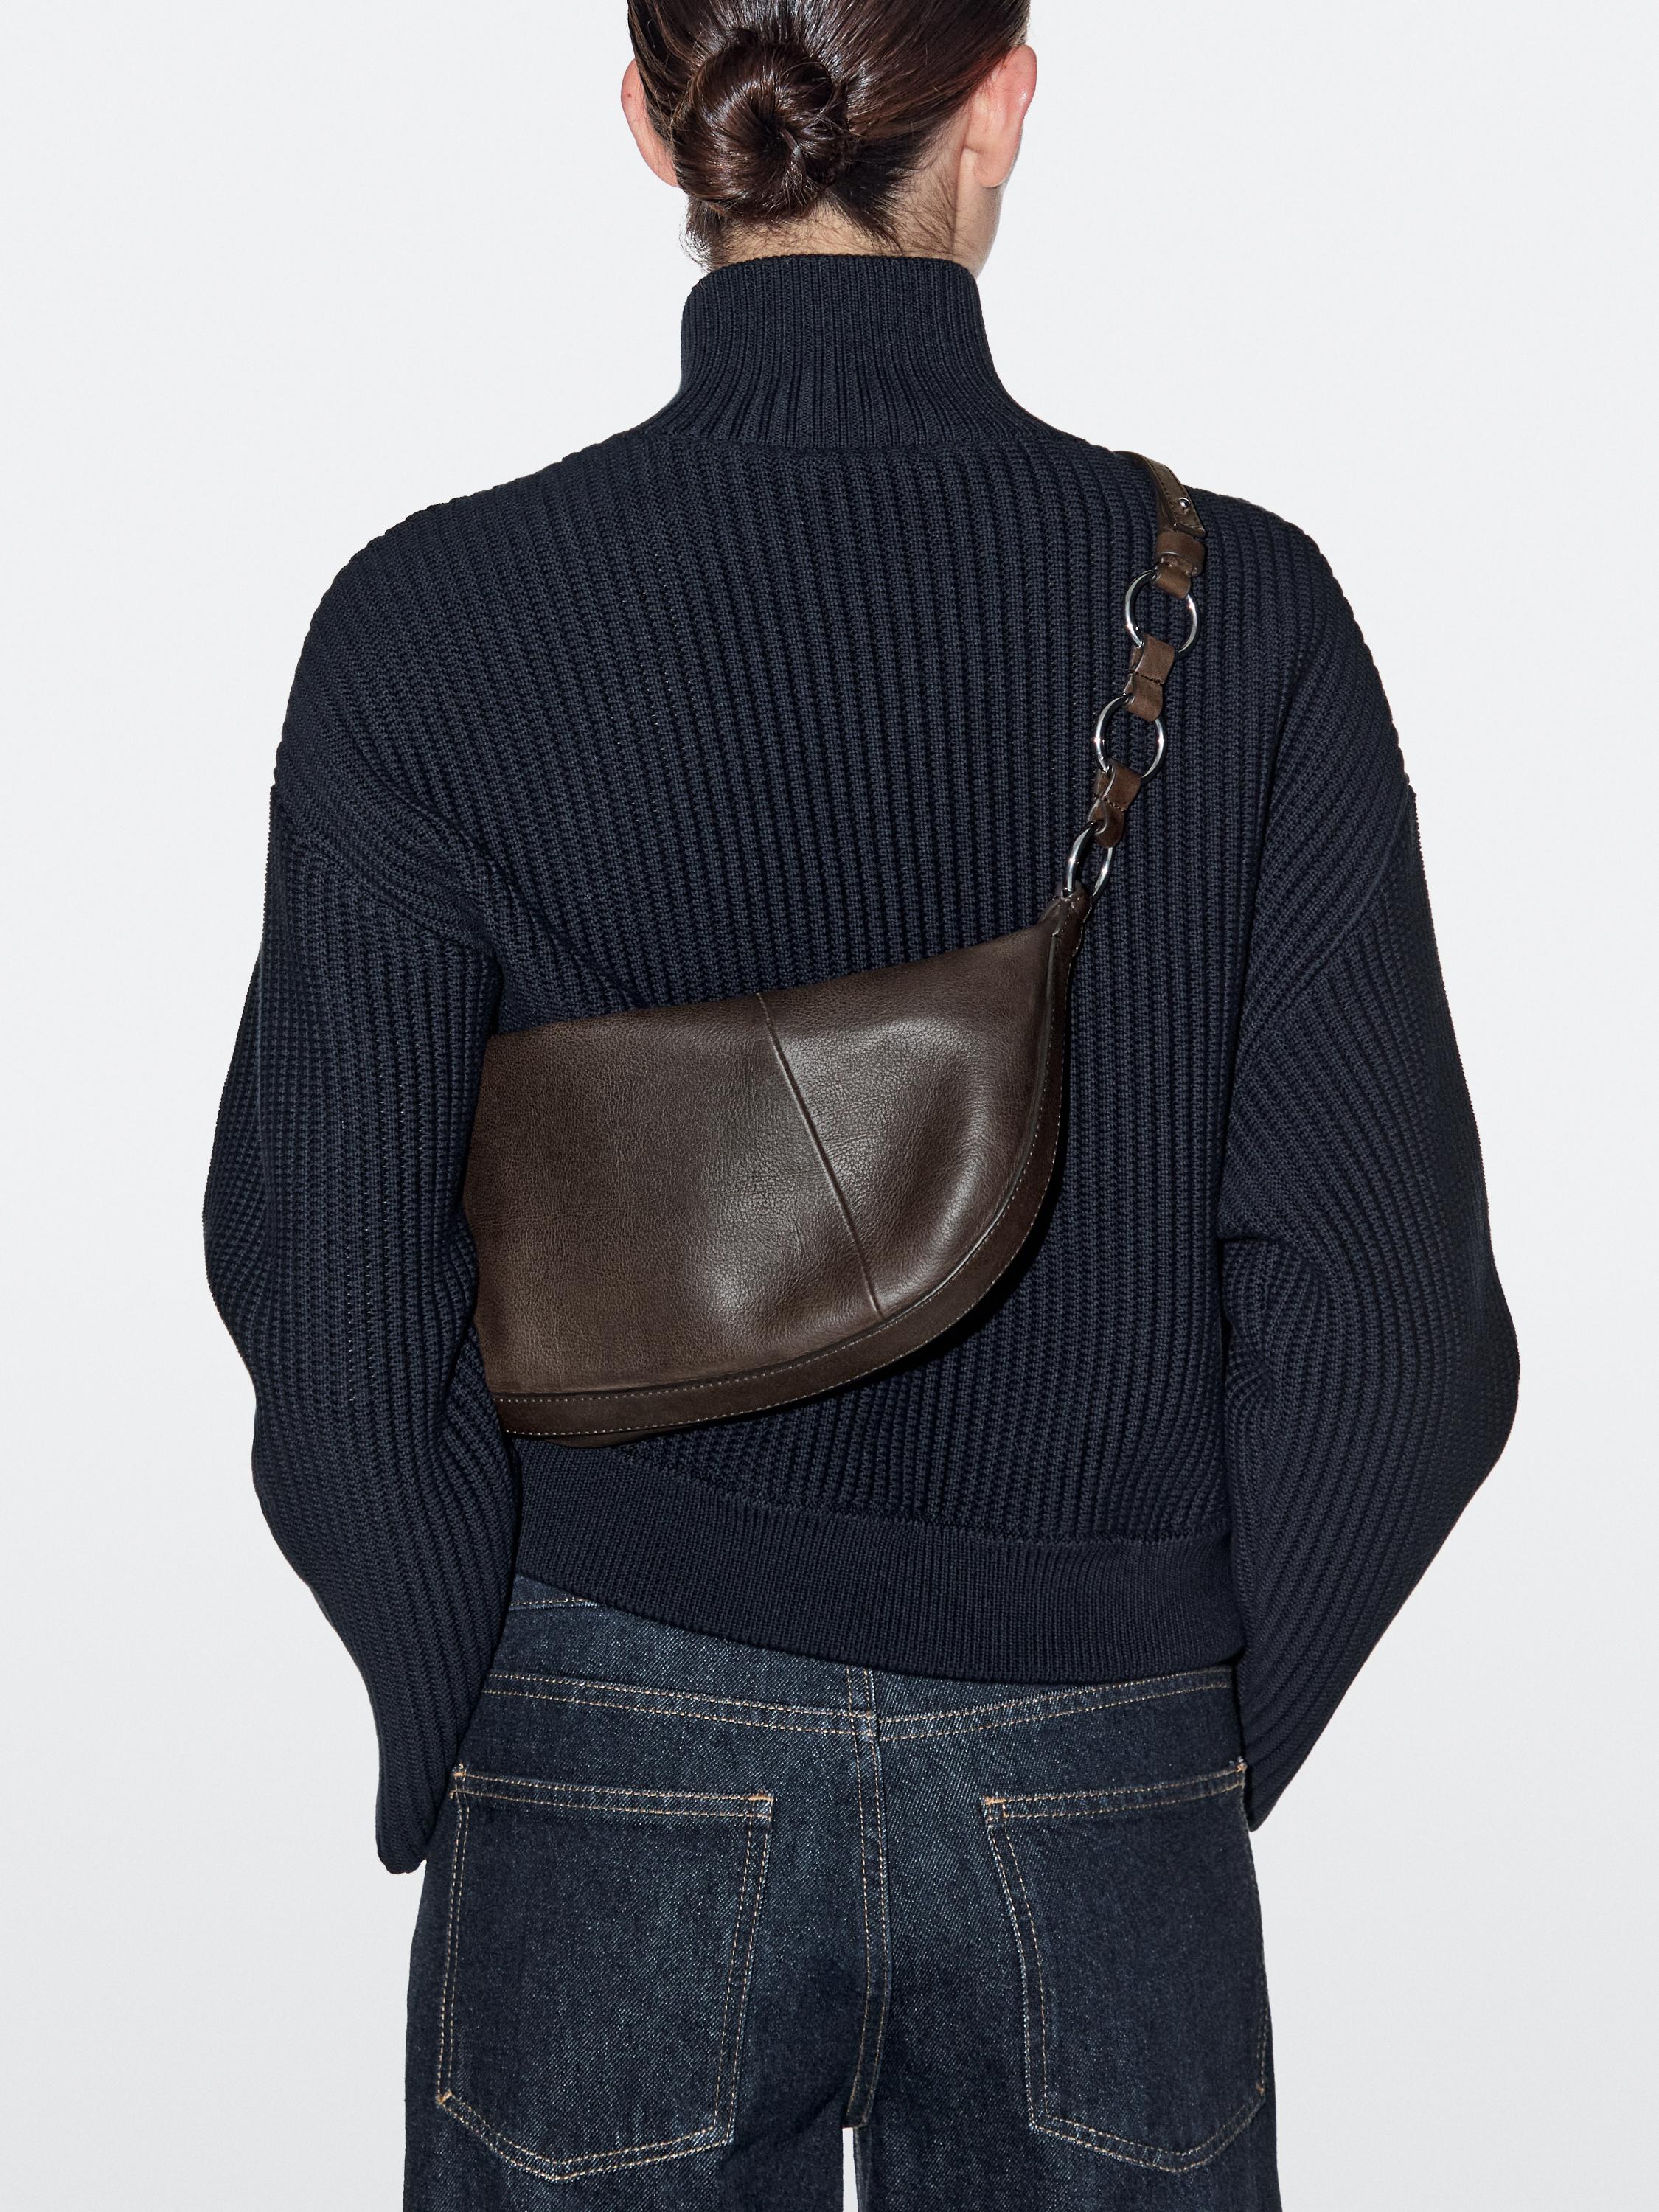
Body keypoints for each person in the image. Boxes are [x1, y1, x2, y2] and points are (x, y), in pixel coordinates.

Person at [204, 4, 1518, 2204]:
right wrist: (1158, 1737)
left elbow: (325, 1273)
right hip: (1095, 1744)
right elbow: (1395, 1335)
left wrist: (465, 1683)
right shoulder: (1247, 618)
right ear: (1003, 100)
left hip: (600, 1723)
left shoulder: (428, 620)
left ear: (653, 123)